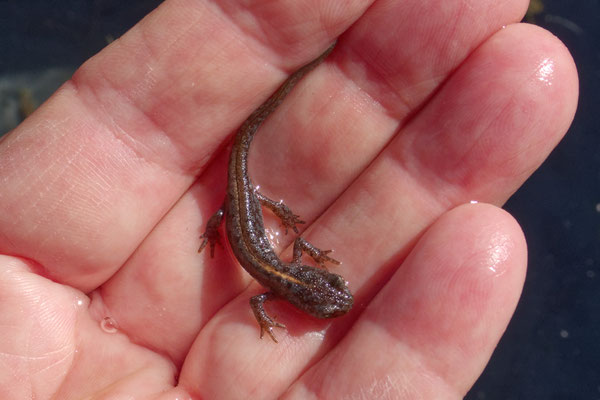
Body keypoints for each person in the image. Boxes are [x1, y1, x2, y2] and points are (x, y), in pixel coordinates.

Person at [0, 0, 578, 398]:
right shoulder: (277, 289)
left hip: (244, 211)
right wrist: (220, 229)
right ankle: (248, 163)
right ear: (303, 301)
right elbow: (258, 300)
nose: (335, 299)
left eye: (329, 298)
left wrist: (267, 239)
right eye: (328, 299)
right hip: (241, 211)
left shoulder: (280, 286)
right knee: (238, 184)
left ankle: (288, 95)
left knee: (241, 179)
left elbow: (267, 292)